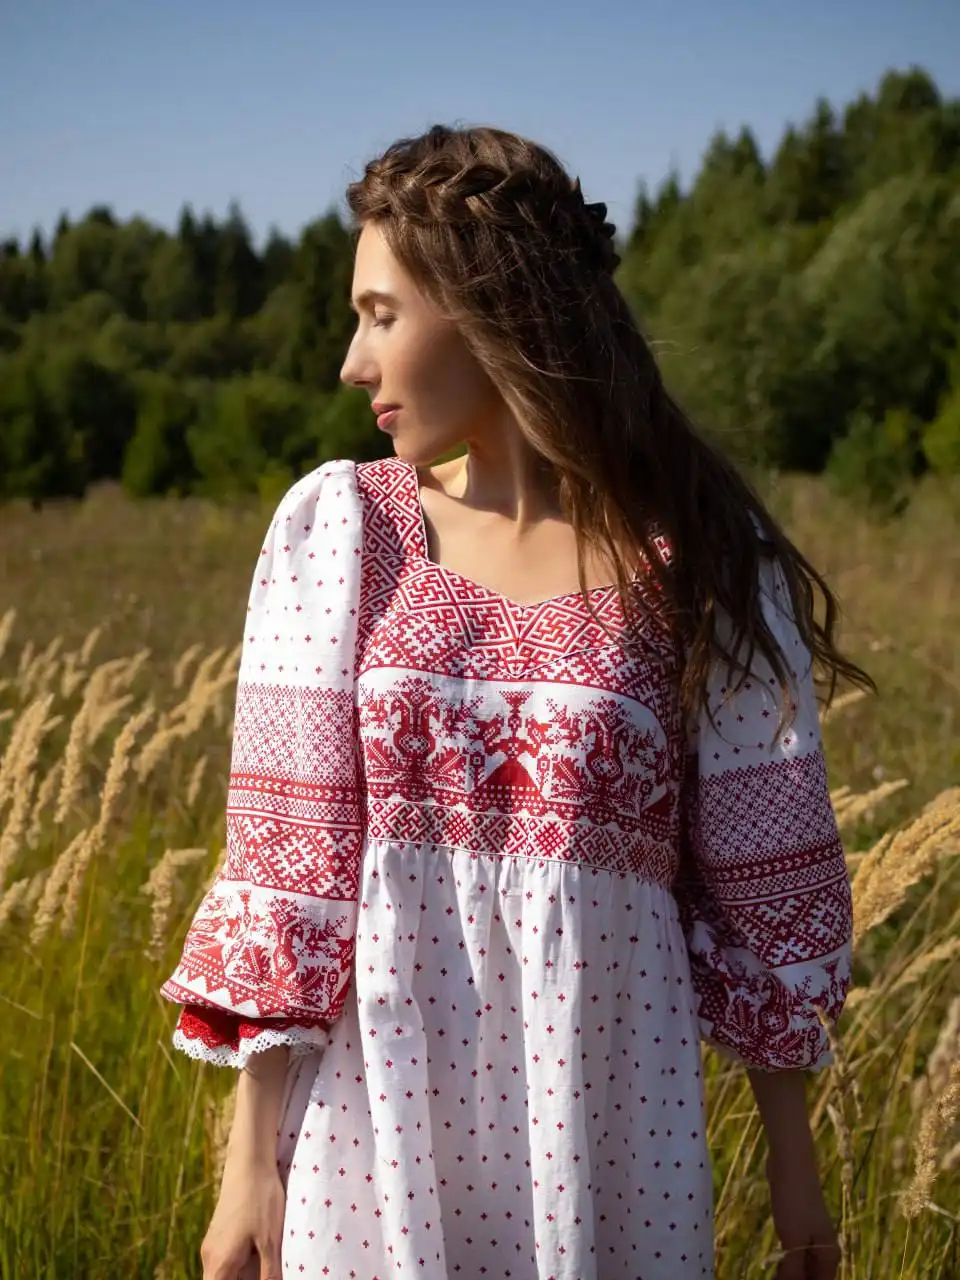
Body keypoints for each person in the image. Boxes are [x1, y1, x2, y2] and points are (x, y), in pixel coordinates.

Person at [161, 124, 875, 1280]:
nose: (352, 362)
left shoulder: (697, 557)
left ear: (491, 308)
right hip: (372, 1132)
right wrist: (250, 1167)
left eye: (381, 315)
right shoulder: (344, 534)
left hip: (611, 1135)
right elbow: (287, 871)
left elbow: (766, 885)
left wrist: (797, 1180)